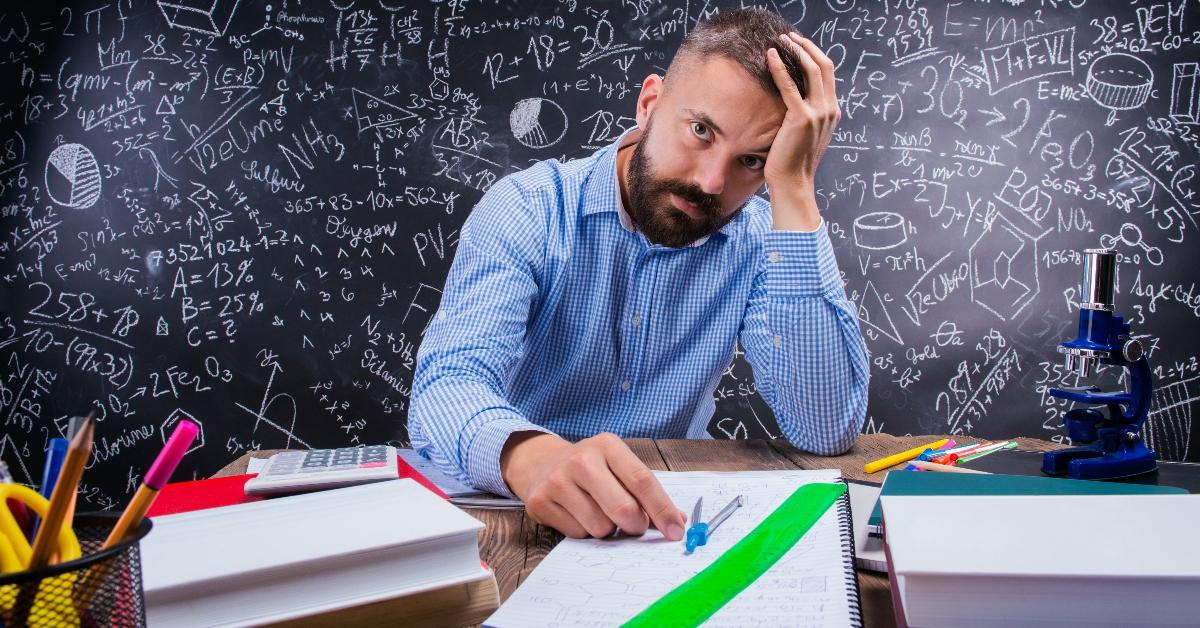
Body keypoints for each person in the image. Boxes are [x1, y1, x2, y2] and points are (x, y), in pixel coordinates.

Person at [408, 8, 869, 540]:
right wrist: (529, 457)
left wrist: (793, 188)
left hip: (673, 523)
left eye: (752, 162)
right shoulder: (530, 208)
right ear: (650, 103)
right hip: (521, 516)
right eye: (701, 130)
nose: (712, 182)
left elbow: (825, 429)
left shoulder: (766, 241)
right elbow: (448, 384)